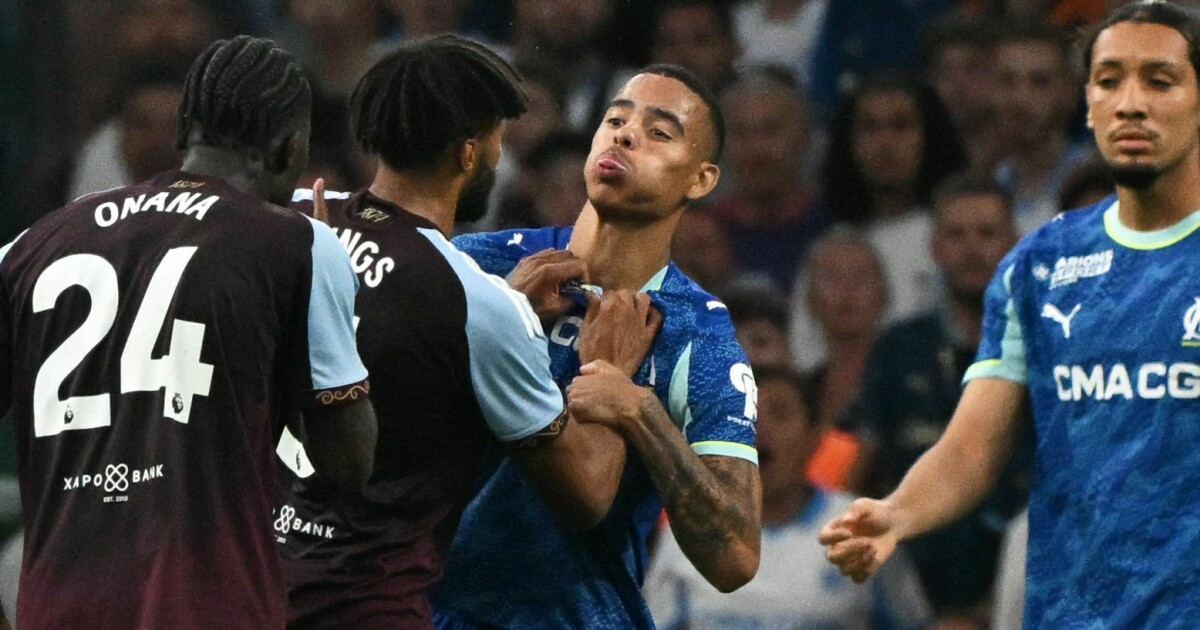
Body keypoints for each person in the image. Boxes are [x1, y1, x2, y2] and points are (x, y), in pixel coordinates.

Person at [821, 3, 1200, 627]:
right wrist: (899, 511)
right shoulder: (1041, 265)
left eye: (1159, 81)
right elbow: (972, 447)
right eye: (1109, 81)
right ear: (1089, 104)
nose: (1130, 104)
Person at [274, 35, 661, 630]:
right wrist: (608, 372)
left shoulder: (292, 217)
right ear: (468, 152)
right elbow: (585, 496)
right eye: (497, 141)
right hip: (362, 609)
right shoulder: (474, 302)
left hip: (247, 588)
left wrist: (505, 306)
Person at [0, 36, 377, 630]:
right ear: (290, 149)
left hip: (58, 608)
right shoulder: (297, 244)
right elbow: (348, 465)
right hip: (209, 606)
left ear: (183, 134)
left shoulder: (28, 248)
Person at [433, 63, 762, 629]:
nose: (626, 136)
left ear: (701, 180)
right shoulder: (478, 264)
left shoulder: (695, 334)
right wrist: (501, 320)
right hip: (425, 611)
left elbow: (735, 559)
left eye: (659, 132)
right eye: (615, 120)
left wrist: (641, 412)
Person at [852, 173, 1028, 622]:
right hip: (907, 595)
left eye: (987, 233)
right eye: (956, 235)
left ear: (1015, 243)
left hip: (1024, 594)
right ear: (934, 247)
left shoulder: (1045, 349)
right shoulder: (896, 349)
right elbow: (851, 468)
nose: (972, 249)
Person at [644, 364, 931, 630]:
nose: (760, 428)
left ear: (814, 437)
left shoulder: (860, 528)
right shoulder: (689, 534)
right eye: (745, 416)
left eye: (780, 413)